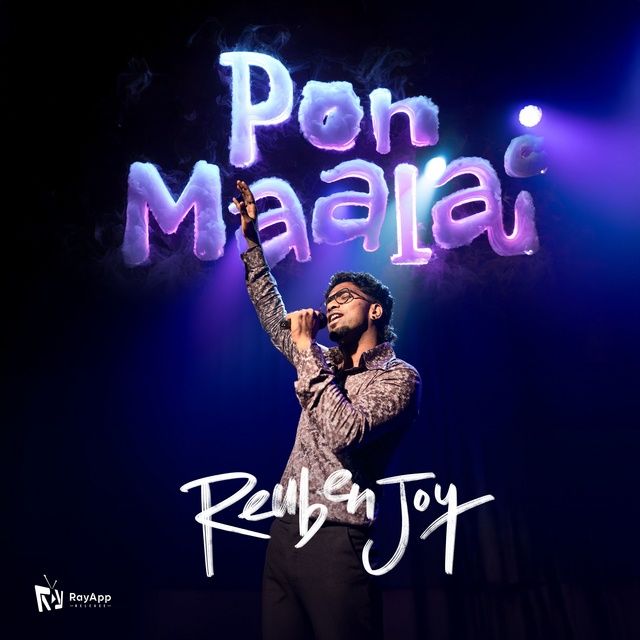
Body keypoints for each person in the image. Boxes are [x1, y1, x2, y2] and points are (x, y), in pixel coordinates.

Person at [233, 180, 422, 640]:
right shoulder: (324, 362)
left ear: (375, 311)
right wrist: (252, 242)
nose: (331, 306)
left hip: (337, 539)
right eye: (328, 301)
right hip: (284, 533)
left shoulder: (399, 377)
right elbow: (272, 315)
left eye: (345, 298)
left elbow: (345, 432)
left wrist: (307, 352)